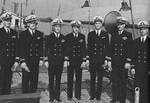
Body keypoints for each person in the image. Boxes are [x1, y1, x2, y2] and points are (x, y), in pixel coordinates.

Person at [109, 16, 133, 103]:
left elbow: (130, 50)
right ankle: (115, 98)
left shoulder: (128, 35)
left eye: (121, 24)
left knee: (123, 82)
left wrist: (128, 61)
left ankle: (122, 99)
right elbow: (111, 49)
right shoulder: (114, 35)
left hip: (123, 63)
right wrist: (109, 61)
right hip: (115, 62)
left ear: (124, 25)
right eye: (118, 24)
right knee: (114, 82)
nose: (119, 26)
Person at [87, 16, 109, 101]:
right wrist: (88, 59)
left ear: (101, 24)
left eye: (99, 23)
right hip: (92, 60)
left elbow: (107, 47)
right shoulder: (91, 34)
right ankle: (92, 95)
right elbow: (88, 47)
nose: (97, 25)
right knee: (92, 78)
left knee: (100, 79)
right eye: (96, 23)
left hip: (101, 60)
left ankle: (98, 95)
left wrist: (106, 60)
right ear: (94, 24)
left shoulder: (105, 34)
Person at [44, 18, 67, 102]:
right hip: (52, 62)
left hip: (60, 62)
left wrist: (65, 60)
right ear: (53, 27)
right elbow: (46, 49)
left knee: (58, 80)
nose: (58, 28)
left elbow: (65, 50)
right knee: (51, 79)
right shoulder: (49, 37)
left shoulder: (63, 37)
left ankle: (57, 96)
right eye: (56, 26)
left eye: (59, 27)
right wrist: (46, 60)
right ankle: (51, 96)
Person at [19, 14, 43, 93]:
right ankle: (25, 99)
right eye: (31, 23)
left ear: (36, 24)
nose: (33, 24)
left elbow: (41, 48)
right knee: (25, 82)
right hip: (26, 62)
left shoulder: (39, 34)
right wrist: (22, 61)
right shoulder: (23, 34)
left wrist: (41, 59)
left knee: (34, 81)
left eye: (34, 23)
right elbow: (21, 49)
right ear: (28, 24)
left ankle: (33, 99)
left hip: (35, 62)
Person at [65, 20, 86, 101]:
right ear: (72, 28)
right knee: (70, 79)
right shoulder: (68, 36)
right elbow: (66, 49)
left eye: (77, 27)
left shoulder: (82, 37)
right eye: (74, 27)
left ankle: (78, 95)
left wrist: (84, 60)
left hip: (79, 61)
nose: (76, 29)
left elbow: (84, 49)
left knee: (78, 79)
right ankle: (69, 95)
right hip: (70, 61)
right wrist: (66, 59)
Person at [0, 12, 19, 95]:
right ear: (3, 21)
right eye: (7, 20)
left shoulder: (14, 33)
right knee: (1, 81)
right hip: (2, 62)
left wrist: (16, 61)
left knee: (8, 81)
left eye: (10, 20)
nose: (9, 22)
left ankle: (7, 97)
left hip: (11, 61)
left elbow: (17, 48)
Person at [131, 20, 150, 103]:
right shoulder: (135, 41)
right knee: (137, 85)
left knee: (146, 86)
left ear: (147, 30)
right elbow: (133, 56)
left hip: (147, 69)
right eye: (141, 29)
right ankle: (136, 101)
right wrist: (132, 67)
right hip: (138, 68)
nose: (142, 31)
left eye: (144, 29)